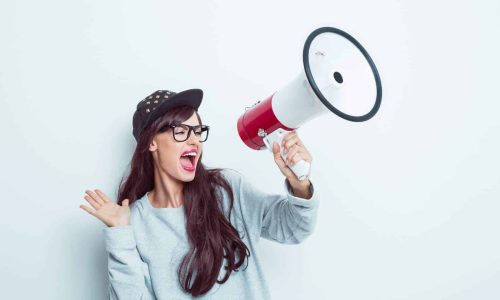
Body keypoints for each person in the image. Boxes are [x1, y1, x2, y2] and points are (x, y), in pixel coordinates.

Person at [79, 88, 320, 299]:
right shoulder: (135, 224)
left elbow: (293, 228)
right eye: (181, 131)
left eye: (197, 131)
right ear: (151, 142)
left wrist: (300, 183)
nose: (195, 141)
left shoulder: (228, 189)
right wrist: (120, 234)